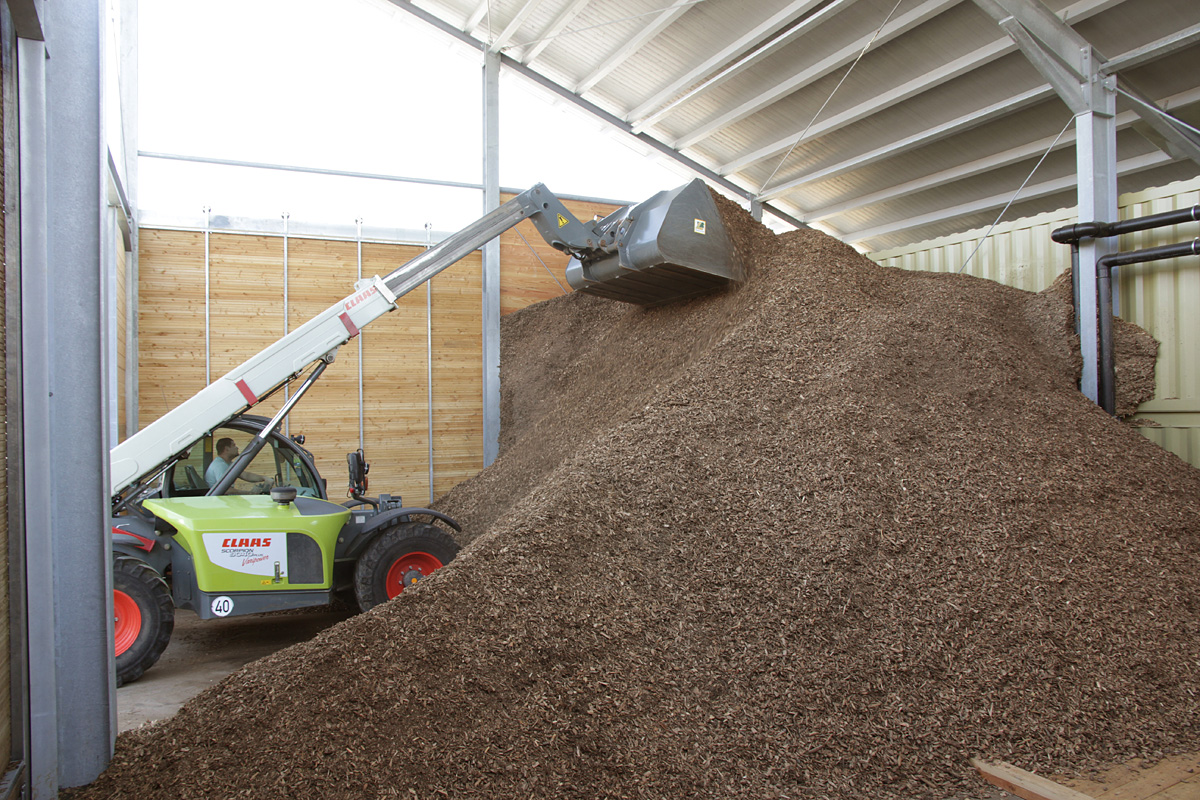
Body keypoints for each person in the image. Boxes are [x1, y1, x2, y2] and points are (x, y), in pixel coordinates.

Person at [204, 437, 272, 493]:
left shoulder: (228, 463)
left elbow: (245, 475)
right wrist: (250, 493)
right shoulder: (220, 466)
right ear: (226, 449)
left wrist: (264, 478)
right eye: (234, 445)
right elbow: (227, 490)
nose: (237, 448)